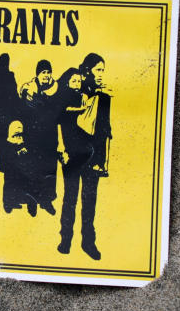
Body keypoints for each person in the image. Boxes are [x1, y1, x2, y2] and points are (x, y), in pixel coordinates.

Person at [57, 53, 111, 260]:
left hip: (93, 156)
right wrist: (61, 149)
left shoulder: (104, 96)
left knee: (90, 201)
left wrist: (103, 161)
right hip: (71, 154)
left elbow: (106, 129)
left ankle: (88, 242)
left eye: (103, 70)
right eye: (98, 70)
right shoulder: (72, 90)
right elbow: (60, 122)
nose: (101, 74)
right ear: (87, 71)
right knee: (69, 199)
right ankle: (65, 240)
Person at [18, 59, 61, 215]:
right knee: (33, 168)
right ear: (37, 74)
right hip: (33, 137)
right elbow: (26, 101)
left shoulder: (54, 88)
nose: (46, 75)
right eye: (43, 72)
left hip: (49, 137)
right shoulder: (29, 88)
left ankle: (47, 200)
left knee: (49, 169)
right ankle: (32, 201)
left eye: (49, 72)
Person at [0, 120, 37, 216]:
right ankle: (9, 203)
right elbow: (2, 167)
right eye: (16, 135)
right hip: (10, 178)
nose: (19, 138)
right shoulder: (6, 147)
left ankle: (29, 204)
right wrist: (16, 155)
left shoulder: (25, 146)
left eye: (20, 134)